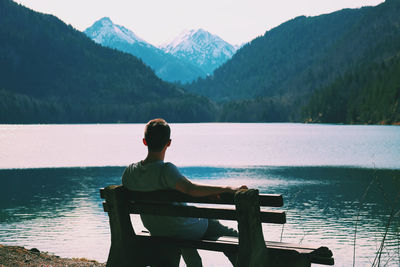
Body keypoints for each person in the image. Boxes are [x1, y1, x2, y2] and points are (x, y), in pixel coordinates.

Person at [122, 118, 247, 266]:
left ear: (144, 141)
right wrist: (226, 189)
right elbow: (191, 189)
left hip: (156, 229)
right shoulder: (166, 170)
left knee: (186, 242)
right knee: (231, 236)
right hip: (182, 228)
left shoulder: (130, 172)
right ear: (168, 143)